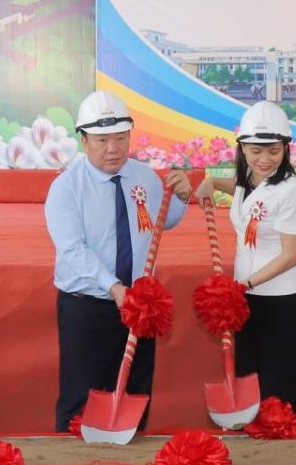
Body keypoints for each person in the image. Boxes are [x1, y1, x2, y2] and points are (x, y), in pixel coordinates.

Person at [45, 91, 191, 432]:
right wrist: (113, 287)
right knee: (83, 398)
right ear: (83, 141)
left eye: (120, 138)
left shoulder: (144, 177)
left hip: (139, 304)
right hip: (89, 306)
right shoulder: (66, 188)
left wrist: (181, 196)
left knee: (135, 394)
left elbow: (161, 222)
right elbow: (72, 250)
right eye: (101, 140)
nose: (113, 148)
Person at [195, 102, 296, 411]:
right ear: (242, 147)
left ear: (285, 148)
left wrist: (244, 285)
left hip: (280, 296)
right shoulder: (251, 175)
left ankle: (285, 441)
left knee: (280, 377)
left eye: (273, 151)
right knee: (251, 368)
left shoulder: (292, 191)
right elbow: (247, 193)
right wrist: (214, 183)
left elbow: (290, 256)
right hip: (246, 293)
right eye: (255, 150)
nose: (265, 159)